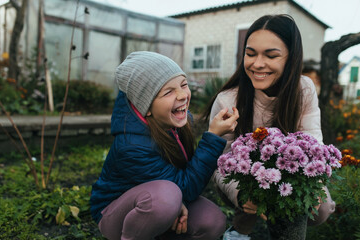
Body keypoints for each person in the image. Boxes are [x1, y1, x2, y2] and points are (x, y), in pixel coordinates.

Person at [204, 14, 336, 237]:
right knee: (255, 194)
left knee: (320, 209)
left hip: (290, 172)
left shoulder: (303, 88)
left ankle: (282, 228)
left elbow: (314, 144)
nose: (257, 64)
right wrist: (240, 194)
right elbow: (217, 162)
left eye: (271, 55)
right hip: (244, 178)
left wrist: (314, 186)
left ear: (291, 58)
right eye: (250, 53)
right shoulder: (228, 101)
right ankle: (239, 229)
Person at [90, 51, 239, 240]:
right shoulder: (131, 145)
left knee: (212, 220)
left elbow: (182, 184)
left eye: (183, 85)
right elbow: (185, 188)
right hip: (116, 214)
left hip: (160, 201)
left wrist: (179, 201)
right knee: (166, 199)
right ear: (146, 107)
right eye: (168, 91)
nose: (182, 95)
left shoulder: (178, 122)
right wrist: (213, 137)